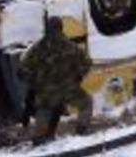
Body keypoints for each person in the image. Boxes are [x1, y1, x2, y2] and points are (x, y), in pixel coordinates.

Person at [21, 16, 92, 144]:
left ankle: (39, 138)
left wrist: (35, 83)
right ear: (61, 27)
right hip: (68, 89)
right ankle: (82, 130)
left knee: (43, 111)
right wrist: (78, 77)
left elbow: (24, 69)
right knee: (86, 103)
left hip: (46, 92)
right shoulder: (70, 45)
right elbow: (86, 63)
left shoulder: (37, 48)